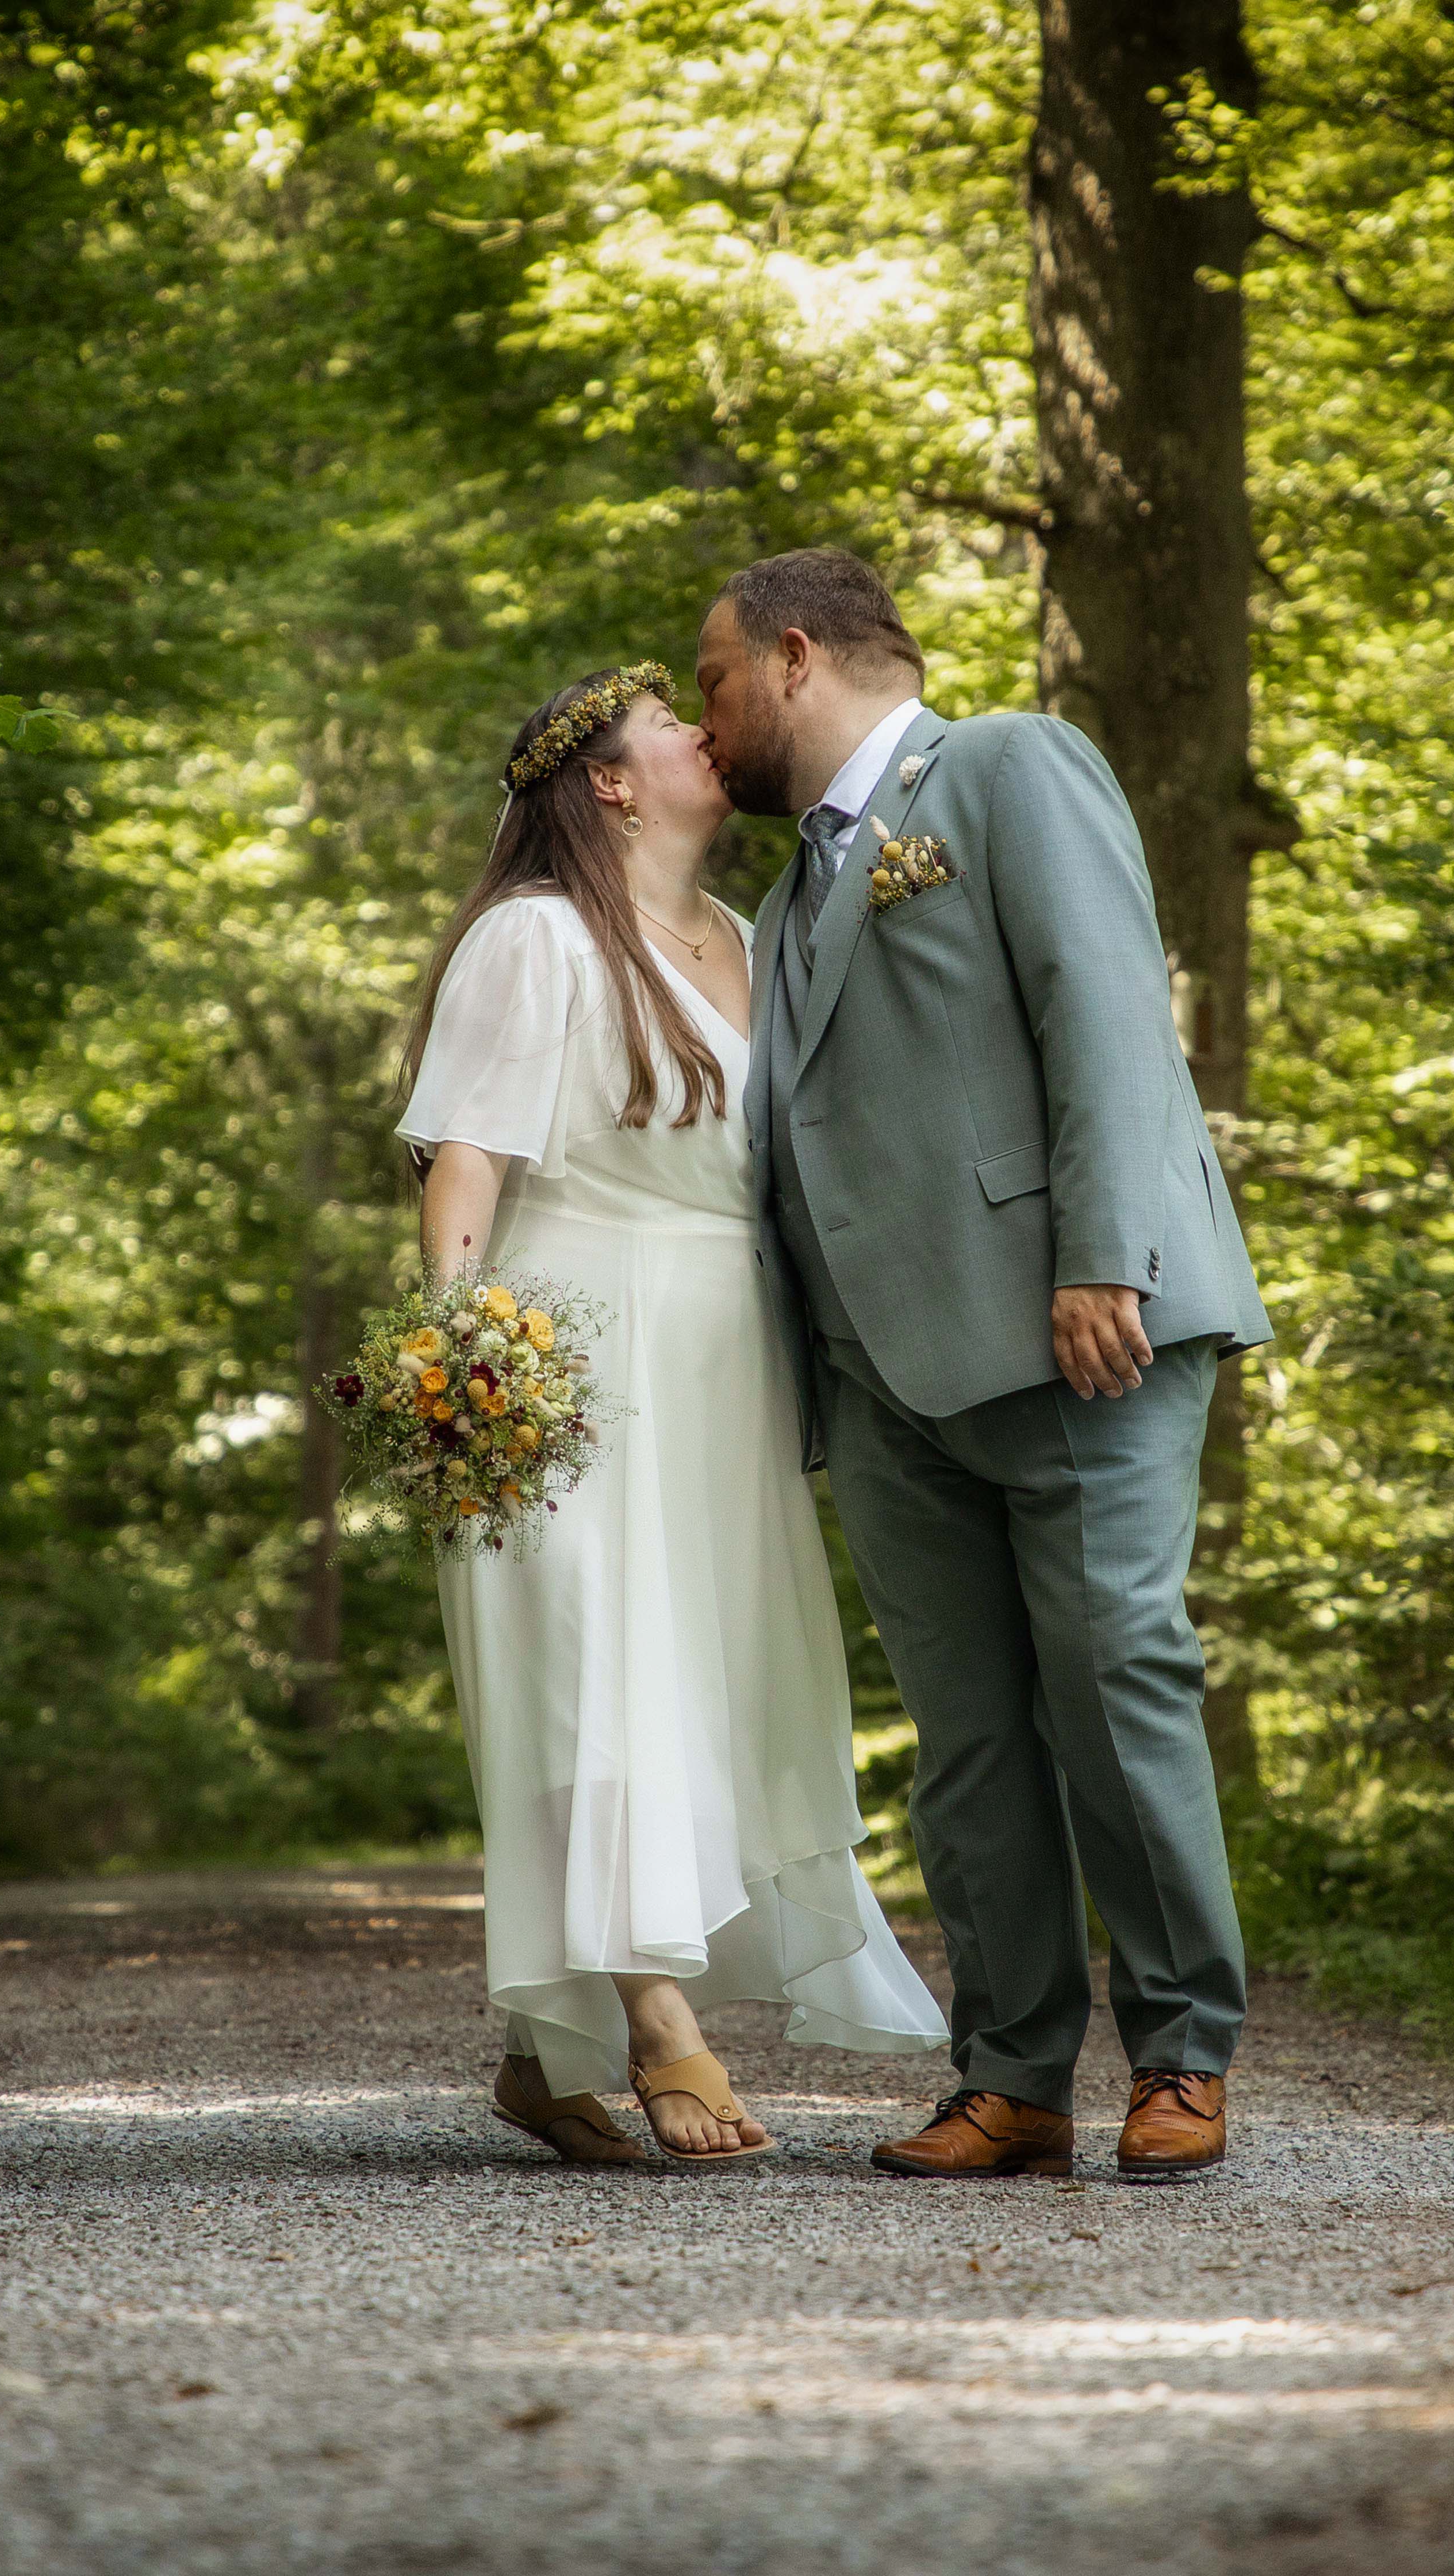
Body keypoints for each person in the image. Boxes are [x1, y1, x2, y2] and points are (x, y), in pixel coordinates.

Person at [699, 548, 1271, 2181]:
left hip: (1074, 1326)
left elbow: (1101, 1002)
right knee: (967, 1739)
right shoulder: (805, 882)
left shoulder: (1008, 761)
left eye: (717, 679)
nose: (705, 718)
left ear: (797, 656)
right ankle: (1012, 2076)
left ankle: (1183, 2053)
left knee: (1115, 1677)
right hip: (885, 1377)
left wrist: (1104, 1254)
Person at [396, 661, 947, 2168]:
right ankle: (658, 2026)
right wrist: (464, 1367)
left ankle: (541, 2051)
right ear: (611, 785)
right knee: (593, 1675)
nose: (711, 735)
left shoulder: (749, 939)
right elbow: (468, 1162)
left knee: (689, 1679)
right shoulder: (539, 937)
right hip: (568, 1349)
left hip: (728, 1357)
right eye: (671, 729)